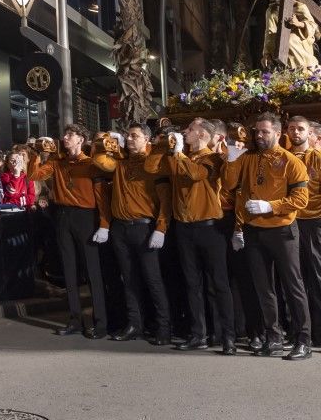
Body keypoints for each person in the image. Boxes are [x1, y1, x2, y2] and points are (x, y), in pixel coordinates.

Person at [228, 112, 312, 360]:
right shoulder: (247, 158)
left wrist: (269, 206)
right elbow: (230, 184)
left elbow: (301, 199)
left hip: (282, 231)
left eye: (265, 131)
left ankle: (303, 340)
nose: (259, 135)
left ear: (278, 133)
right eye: (257, 131)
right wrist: (232, 159)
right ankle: (273, 338)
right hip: (254, 231)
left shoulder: (291, 162)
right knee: (264, 288)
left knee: (293, 287)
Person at [152, 118, 237, 354]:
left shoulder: (213, 158)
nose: (184, 133)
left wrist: (178, 154)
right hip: (184, 228)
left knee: (219, 284)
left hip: (210, 228)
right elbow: (153, 168)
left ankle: (227, 336)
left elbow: (196, 175)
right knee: (192, 284)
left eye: (189, 130)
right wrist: (168, 150)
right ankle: (198, 333)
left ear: (202, 135)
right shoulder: (180, 156)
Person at [98, 123, 174, 344]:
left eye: (134, 136)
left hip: (144, 227)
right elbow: (100, 158)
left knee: (153, 280)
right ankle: (135, 324)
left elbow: (165, 200)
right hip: (120, 227)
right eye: (127, 136)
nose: (129, 139)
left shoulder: (154, 164)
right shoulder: (121, 163)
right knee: (129, 279)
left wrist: (160, 228)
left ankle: (164, 327)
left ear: (146, 140)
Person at [285, 117, 321, 355]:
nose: (296, 132)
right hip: (289, 222)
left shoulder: (320, 159)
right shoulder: (284, 157)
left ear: (311, 134)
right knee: (295, 282)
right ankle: (303, 335)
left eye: (301, 129)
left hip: (315, 223)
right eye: (292, 129)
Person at [45, 123, 111, 338]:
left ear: (81, 139)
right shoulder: (58, 163)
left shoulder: (92, 164)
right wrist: (43, 155)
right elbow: (34, 175)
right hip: (63, 215)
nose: (65, 137)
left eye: (70, 135)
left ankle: (100, 323)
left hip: (86, 218)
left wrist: (104, 224)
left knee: (92, 272)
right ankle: (74, 320)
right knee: (69, 271)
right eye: (65, 134)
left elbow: (101, 197)